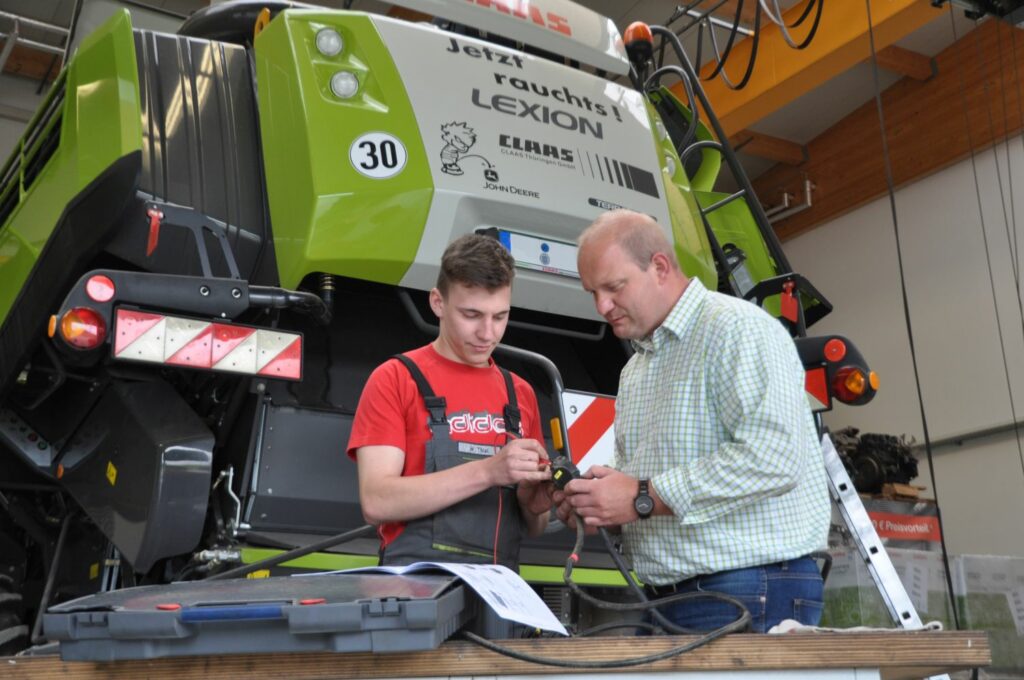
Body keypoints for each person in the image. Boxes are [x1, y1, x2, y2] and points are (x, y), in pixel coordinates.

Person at [554, 209, 830, 633]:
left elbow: (773, 457)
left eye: (613, 287)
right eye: (593, 292)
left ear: (660, 267)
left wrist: (641, 495)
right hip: (678, 594)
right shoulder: (637, 368)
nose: (602, 306)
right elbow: (641, 492)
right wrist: (601, 502)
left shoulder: (738, 329)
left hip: (748, 586)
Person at [348, 234, 553, 570]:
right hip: (416, 592)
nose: (488, 333)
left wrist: (534, 506)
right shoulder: (396, 379)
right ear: (437, 303)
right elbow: (376, 501)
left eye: (500, 317)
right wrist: (489, 471)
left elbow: (534, 527)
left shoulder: (520, 394)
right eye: (472, 315)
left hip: (498, 594)